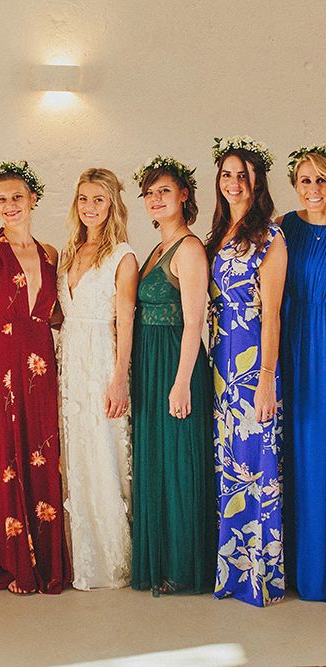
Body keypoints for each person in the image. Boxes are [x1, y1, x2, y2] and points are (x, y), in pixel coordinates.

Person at [0, 160, 70, 594]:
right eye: (1, 199)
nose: (9, 206)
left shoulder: (51, 253)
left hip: (41, 367)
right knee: (4, 457)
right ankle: (10, 563)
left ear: (33, 201)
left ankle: (47, 559)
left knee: (43, 453)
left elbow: (59, 313)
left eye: (17, 198)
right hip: (1, 366)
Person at [207, 136, 287, 607]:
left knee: (257, 465)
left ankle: (261, 574)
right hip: (221, 362)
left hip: (254, 360)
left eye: (243, 175)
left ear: (257, 183)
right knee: (230, 468)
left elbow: (272, 313)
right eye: (227, 175)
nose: (234, 183)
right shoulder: (218, 236)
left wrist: (267, 376)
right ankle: (231, 571)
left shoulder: (269, 237)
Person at [131, 155, 215, 596]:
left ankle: (181, 565)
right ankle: (158, 559)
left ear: (184, 195)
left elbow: (194, 321)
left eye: (165, 191)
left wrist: (182, 380)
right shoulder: (156, 250)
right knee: (156, 459)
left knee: (178, 460)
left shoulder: (190, 249)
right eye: (150, 193)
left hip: (175, 363)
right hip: (148, 359)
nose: (156, 199)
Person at [57, 167, 137, 590]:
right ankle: (79, 556)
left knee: (105, 452)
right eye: (84, 199)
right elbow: (57, 315)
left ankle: (114, 558)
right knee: (76, 453)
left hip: (103, 361)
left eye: (99, 200)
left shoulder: (121, 256)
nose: (90, 207)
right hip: (70, 361)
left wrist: (119, 377)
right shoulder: (68, 252)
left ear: (112, 205)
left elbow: (126, 320)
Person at [278, 145, 326, 601]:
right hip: (293, 347)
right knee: (295, 450)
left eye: (321, 180)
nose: (313, 189)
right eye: (305, 181)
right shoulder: (285, 228)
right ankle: (296, 569)